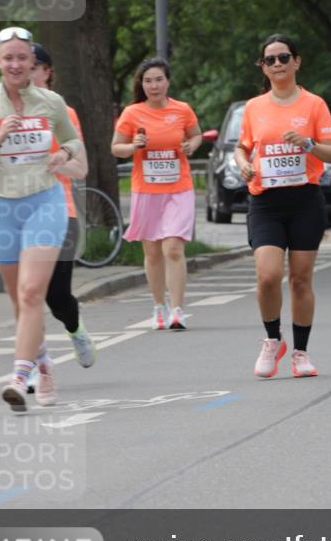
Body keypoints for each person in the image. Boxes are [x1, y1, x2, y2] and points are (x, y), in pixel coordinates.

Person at [0, 27, 83, 410]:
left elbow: (74, 142)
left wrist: (64, 154)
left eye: (22, 58)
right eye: (8, 58)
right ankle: (44, 365)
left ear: (33, 63)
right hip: (0, 206)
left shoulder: (51, 102)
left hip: (45, 201)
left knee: (31, 293)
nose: (15, 64)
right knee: (19, 300)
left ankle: (19, 375)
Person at [234, 34, 331, 379]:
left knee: (299, 280)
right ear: (262, 68)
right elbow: (241, 147)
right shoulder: (254, 107)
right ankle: (272, 340)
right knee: (267, 277)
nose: (277, 64)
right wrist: (243, 164)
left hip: (304, 200)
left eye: (284, 58)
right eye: (270, 60)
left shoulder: (314, 104)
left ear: (297, 62)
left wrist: (309, 144)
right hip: (265, 201)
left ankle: (300, 352)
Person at [111, 57, 202, 329]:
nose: (154, 85)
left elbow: (196, 135)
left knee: (173, 248)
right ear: (142, 84)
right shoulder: (132, 113)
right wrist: (134, 147)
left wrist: (191, 146)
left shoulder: (182, 110)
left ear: (168, 81)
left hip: (179, 187)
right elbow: (116, 147)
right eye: (148, 80)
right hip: (147, 189)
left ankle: (177, 310)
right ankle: (158, 307)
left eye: (159, 79)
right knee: (152, 252)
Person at [28, 44, 95, 380]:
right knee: (29, 294)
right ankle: (30, 364)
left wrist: (55, 163)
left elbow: (81, 169)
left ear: (47, 71)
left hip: (60, 211)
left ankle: (74, 327)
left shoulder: (63, 113)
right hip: (19, 214)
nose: (26, 71)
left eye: (33, 65)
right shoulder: (8, 114)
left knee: (57, 297)